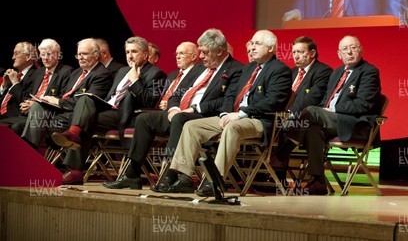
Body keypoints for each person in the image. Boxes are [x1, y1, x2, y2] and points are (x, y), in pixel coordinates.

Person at [104, 30, 243, 190]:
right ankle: (132, 174)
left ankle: (171, 174)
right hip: (180, 113)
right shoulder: (199, 67)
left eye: (205, 53)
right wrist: (173, 108)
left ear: (219, 51)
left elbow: (226, 102)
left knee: (180, 119)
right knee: (144, 119)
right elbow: (177, 91)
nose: (201, 56)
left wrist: (194, 108)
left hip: (203, 116)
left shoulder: (235, 69)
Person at [159, 29, 292, 194]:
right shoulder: (249, 68)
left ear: (271, 48)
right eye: (252, 42)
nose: (253, 46)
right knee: (191, 126)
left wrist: (241, 114)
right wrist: (224, 113)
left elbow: (273, 102)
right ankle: (184, 176)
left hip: (258, 120)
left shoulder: (280, 70)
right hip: (233, 117)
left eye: (258, 43)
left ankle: (215, 179)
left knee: (232, 128)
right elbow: (231, 95)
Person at [270, 35, 385, 195]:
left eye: (353, 47)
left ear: (361, 50)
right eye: (345, 49)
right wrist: (324, 110)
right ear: (339, 54)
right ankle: (317, 181)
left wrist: (333, 109)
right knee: (313, 128)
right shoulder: (337, 72)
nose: (350, 52)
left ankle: (282, 154)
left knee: (310, 111)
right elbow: (325, 100)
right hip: (330, 120)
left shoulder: (369, 72)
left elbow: (363, 104)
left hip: (354, 123)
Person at [50, 36, 166, 184]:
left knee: (84, 121)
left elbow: (149, 102)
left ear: (145, 54)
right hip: (107, 108)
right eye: (127, 52)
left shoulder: (156, 74)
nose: (130, 56)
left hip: (125, 114)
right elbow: (109, 96)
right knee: (85, 100)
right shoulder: (123, 70)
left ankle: (74, 167)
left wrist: (135, 81)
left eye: (134, 52)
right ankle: (72, 141)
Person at [21, 38, 114, 183]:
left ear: (96, 55)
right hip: (64, 114)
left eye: (84, 54)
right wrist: (47, 101)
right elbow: (65, 95)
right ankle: (28, 156)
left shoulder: (102, 74)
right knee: (38, 107)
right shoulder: (76, 73)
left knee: (84, 104)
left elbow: (90, 101)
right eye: (78, 55)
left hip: (84, 116)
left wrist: (57, 101)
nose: (80, 58)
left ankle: (73, 168)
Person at [0, 39, 73, 135]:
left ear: (57, 55)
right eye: (43, 54)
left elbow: (62, 99)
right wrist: (28, 103)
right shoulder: (39, 72)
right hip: (27, 114)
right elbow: (28, 95)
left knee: (17, 127)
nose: (45, 58)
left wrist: (36, 105)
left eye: (49, 54)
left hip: (47, 115)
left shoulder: (66, 71)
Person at [0, 42, 38, 123]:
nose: (13, 57)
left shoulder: (37, 75)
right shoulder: (14, 74)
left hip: (15, 117)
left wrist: (15, 83)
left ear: (28, 56)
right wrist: (4, 86)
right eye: (13, 54)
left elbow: (26, 101)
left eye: (16, 54)